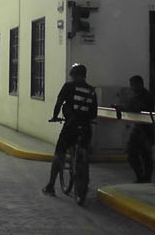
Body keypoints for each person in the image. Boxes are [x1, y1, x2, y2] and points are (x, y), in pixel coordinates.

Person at [42, 63, 97, 204]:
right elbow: (94, 113)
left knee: (59, 154)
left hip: (71, 126)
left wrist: (55, 116)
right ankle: (83, 182)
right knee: (84, 150)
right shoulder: (91, 90)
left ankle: (50, 186)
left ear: (74, 74)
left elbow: (59, 103)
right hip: (86, 128)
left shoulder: (68, 87)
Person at [115, 75, 155, 183]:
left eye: (133, 85)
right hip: (139, 128)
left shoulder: (146, 96)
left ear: (139, 84)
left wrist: (123, 107)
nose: (131, 88)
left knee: (145, 155)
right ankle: (141, 177)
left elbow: (136, 108)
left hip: (146, 130)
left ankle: (145, 178)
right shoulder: (138, 95)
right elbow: (131, 106)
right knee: (133, 154)